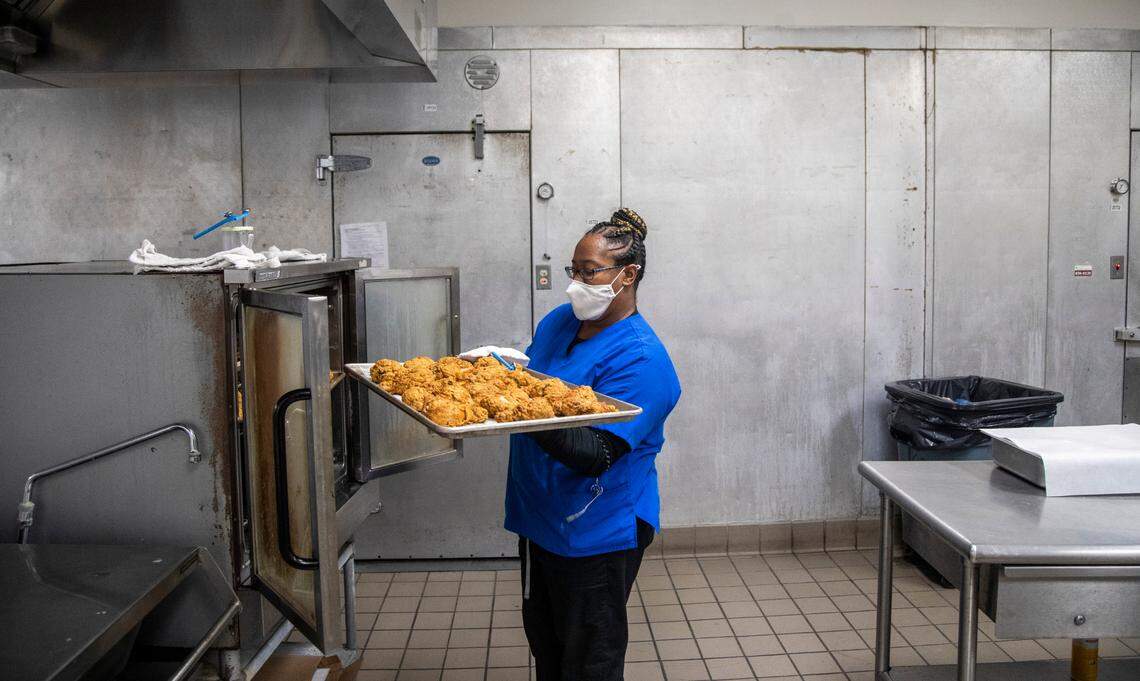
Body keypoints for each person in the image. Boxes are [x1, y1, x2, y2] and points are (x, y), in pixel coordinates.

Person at [504, 208, 682, 681]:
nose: (575, 284)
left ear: (628, 275)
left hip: (595, 529)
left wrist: (520, 408)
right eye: (574, 270)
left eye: (589, 273)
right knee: (546, 642)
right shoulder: (561, 322)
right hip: (540, 514)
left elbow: (597, 455)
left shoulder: (643, 361)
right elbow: (531, 378)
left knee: (588, 659)